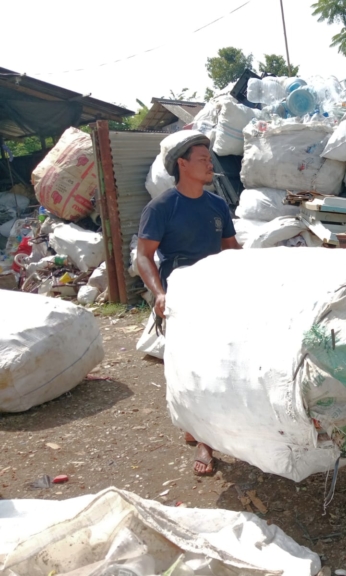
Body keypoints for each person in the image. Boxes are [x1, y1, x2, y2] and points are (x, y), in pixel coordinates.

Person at [136, 130, 240, 476]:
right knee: (186, 366)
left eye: (210, 159)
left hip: (216, 294)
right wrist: (159, 293)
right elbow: (144, 256)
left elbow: (231, 249)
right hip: (180, 295)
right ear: (182, 164)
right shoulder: (162, 207)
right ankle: (197, 427)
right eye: (202, 159)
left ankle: (205, 439)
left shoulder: (217, 205)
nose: (210, 164)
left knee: (212, 366)